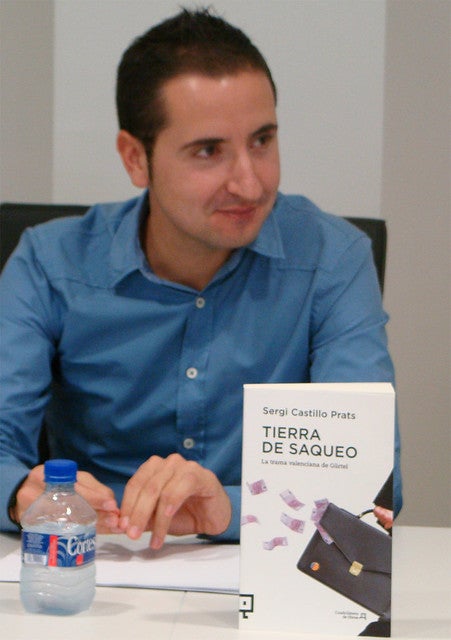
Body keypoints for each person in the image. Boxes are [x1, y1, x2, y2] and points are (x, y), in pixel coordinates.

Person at [0, 8, 402, 546]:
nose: (250, 184)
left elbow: (372, 485)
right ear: (135, 158)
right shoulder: (50, 264)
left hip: (267, 566)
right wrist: (19, 493)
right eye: (209, 151)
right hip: (91, 560)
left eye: (262, 140)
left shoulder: (332, 258)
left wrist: (228, 509)